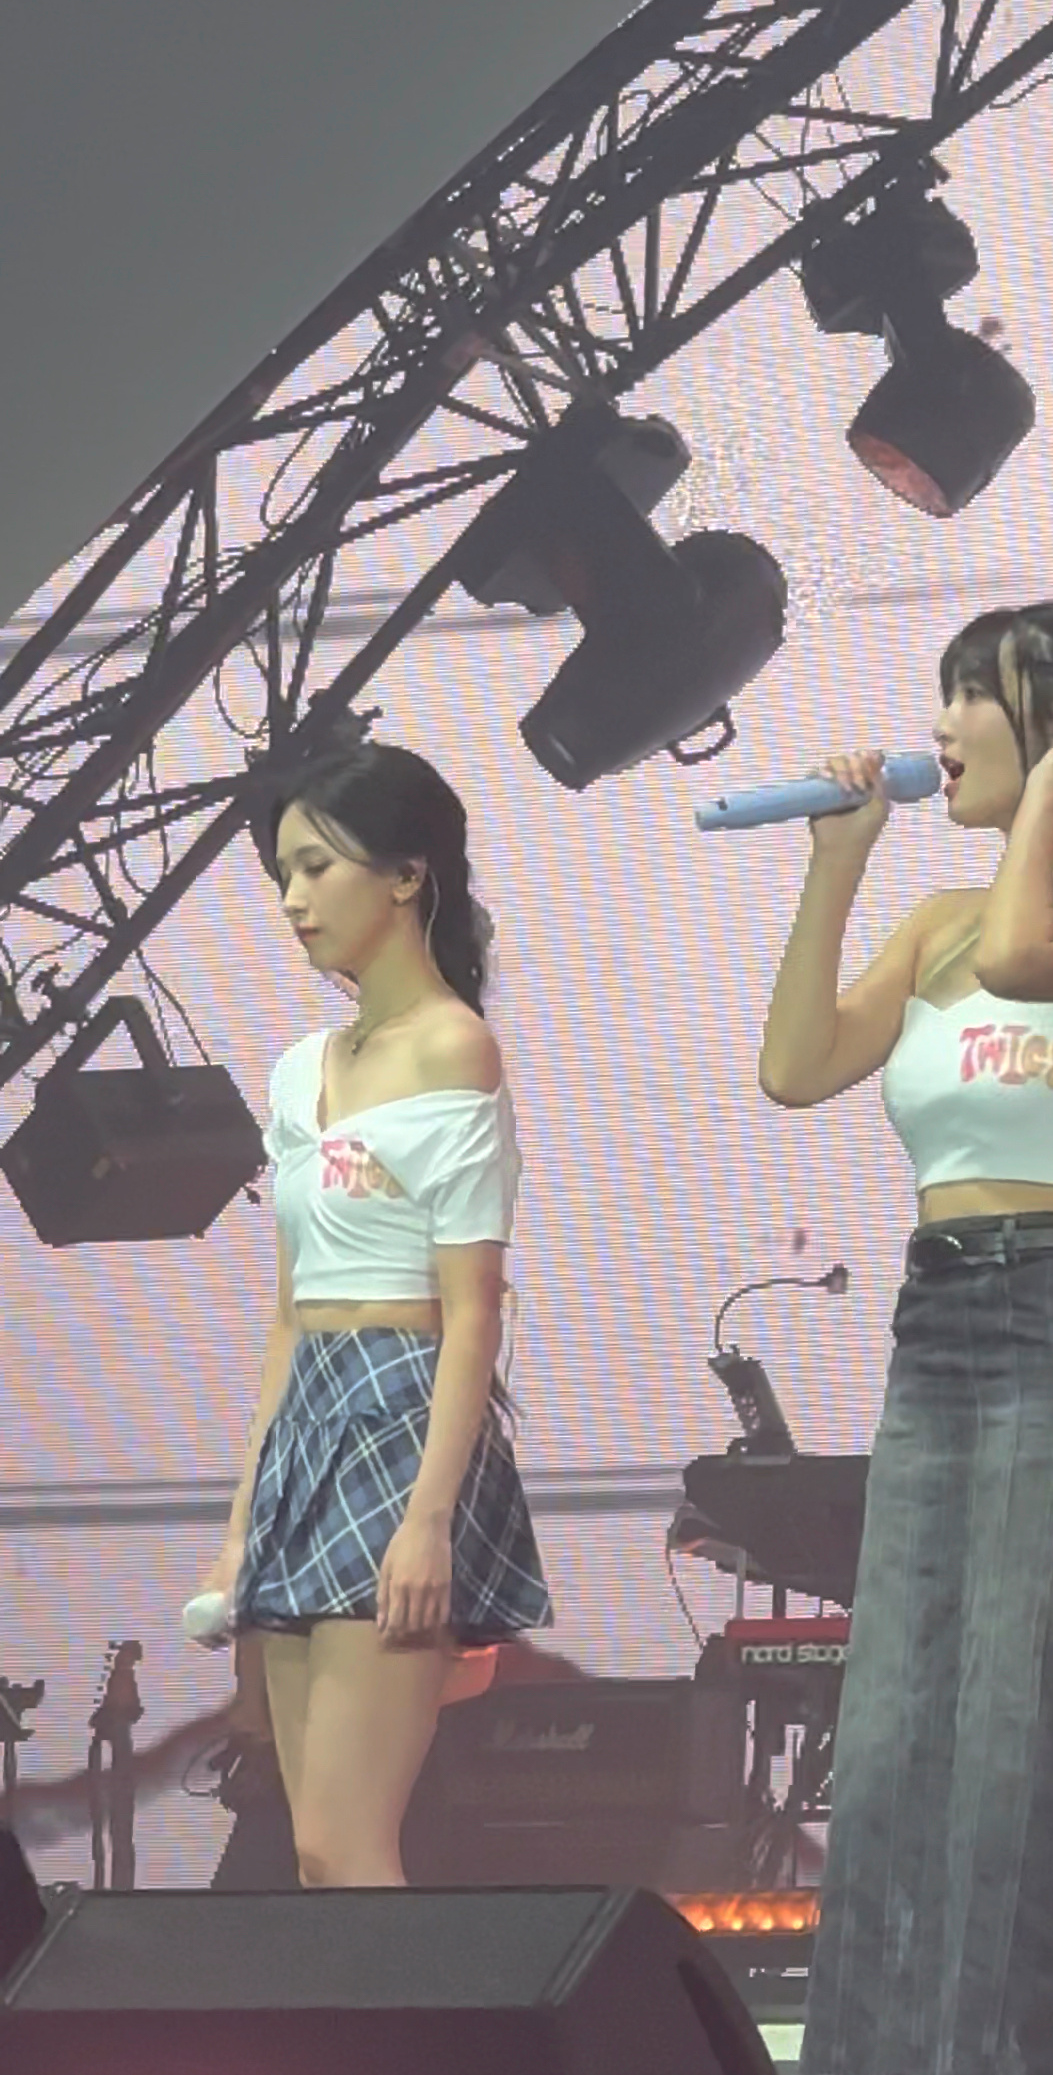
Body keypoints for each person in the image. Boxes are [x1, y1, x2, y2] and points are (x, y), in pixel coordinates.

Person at [759, 597, 1053, 2075]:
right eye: (943, 695)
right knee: (894, 1732)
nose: (941, 727)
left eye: (975, 697)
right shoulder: (938, 922)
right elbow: (797, 1067)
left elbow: (1026, 963)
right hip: (937, 1318)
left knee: (1019, 1740)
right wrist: (837, 866)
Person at [194, 741, 551, 1889]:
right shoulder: (299, 1069)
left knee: (347, 1845)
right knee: (310, 1848)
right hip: (311, 1419)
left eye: (316, 867)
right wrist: (243, 1521)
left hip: (403, 1417)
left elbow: (472, 1311)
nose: (292, 901)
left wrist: (429, 1520)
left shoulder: (453, 1046)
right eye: (281, 876)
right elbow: (289, 1313)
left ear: (405, 874)